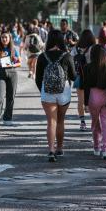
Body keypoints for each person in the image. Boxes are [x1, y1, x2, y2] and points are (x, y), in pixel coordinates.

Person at [35, 30, 76, 162]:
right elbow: (74, 76)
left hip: (47, 92)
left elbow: (38, 78)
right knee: (60, 121)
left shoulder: (42, 56)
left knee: (51, 122)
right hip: (63, 90)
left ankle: (51, 150)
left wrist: (42, 90)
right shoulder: (67, 55)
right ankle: (59, 148)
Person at [83, 45, 106, 160]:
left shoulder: (88, 67)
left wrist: (86, 103)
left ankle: (96, 147)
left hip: (93, 97)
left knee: (95, 123)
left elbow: (86, 86)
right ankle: (105, 150)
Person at [0, 31, 21, 127]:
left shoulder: (13, 49)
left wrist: (12, 64)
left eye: (6, 37)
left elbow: (19, 63)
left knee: (11, 97)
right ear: (0, 38)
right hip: (0, 74)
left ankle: (8, 118)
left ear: (9, 38)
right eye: (2, 37)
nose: (4, 39)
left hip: (12, 73)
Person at [70, 29, 96, 131]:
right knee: (93, 99)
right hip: (92, 76)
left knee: (80, 100)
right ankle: (95, 121)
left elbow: (71, 60)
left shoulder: (76, 48)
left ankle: (82, 122)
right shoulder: (93, 48)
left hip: (79, 76)